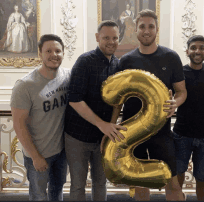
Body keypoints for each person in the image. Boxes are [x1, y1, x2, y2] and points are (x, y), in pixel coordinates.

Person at [117, 9, 187, 201]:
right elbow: (118, 98)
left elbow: (181, 92)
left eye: (150, 26)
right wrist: (110, 127)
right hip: (133, 134)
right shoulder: (126, 60)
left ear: (157, 29)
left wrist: (175, 103)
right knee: (140, 184)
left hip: (161, 132)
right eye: (142, 27)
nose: (146, 31)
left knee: (172, 183)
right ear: (136, 29)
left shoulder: (171, 57)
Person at [64, 20, 127, 201]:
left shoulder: (118, 64)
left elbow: (118, 101)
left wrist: (110, 128)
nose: (111, 41)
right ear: (97, 37)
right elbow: (74, 99)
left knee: (101, 183)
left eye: (115, 38)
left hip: (103, 138)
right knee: (78, 185)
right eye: (106, 37)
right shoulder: (85, 61)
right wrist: (102, 125)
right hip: (78, 137)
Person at [10, 34, 70, 201]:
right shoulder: (25, 85)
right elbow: (18, 124)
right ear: (40, 54)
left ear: (63, 53)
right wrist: (35, 156)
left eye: (58, 51)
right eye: (48, 51)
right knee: (38, 196)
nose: (54, 55)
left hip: (61, 152)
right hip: (38, 154)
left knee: (57, 192)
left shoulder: (68, 76)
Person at [173, 35, 204, 201]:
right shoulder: (180, 72)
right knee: (178, 176)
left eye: (200, 48)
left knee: (202, 179)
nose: (197, 51)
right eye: (193, 48)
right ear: (187, 51)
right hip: (182, 134)